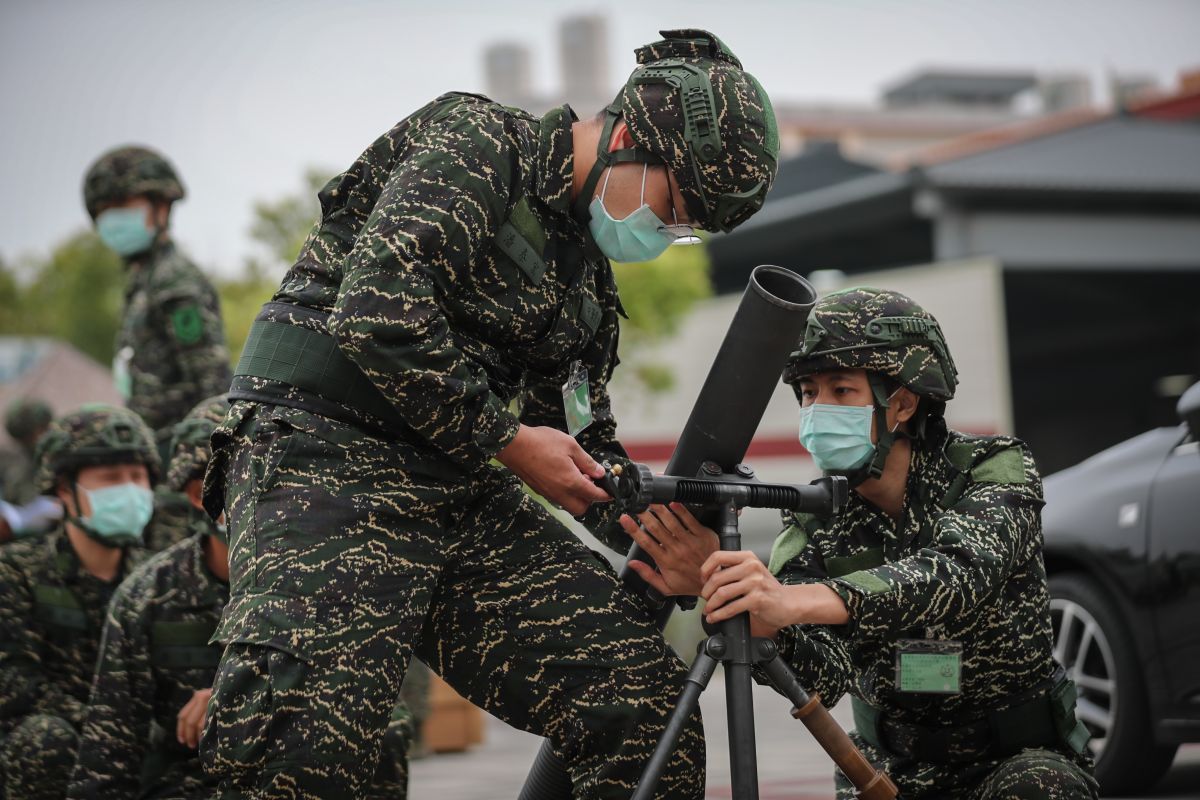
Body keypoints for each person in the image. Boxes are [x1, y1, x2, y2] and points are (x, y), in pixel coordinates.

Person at [200, 28, 778, 799]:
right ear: (631, 136)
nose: (666, 236)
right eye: (674, 207)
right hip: (322, 461)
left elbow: (576, 442)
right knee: (301, 750)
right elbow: (378, 309)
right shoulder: (480, 143)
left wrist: (670, 538)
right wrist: (505, 440)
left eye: (685, 230)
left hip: (457, 486)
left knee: (643, 710)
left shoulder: (587, 287)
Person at [621, 287, 1100, 799]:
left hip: (1016, 761)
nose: (817, 408)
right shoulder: (814, 522)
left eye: (841, 391)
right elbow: (820, 675)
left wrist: (791, 601)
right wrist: (728, 591)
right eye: (808, 391)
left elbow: (958, 574)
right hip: (884, 772)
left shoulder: (992, 468)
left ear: (902, 402)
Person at [0, 405, 156, 800]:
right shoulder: (17, 571)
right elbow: (14, 686)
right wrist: (111, 730)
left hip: (148, 748)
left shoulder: (162, 578)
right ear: (66, 490)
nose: (130, 489)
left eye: (138, 477)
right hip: (56, 752)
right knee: (43, 741)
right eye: (110, 478)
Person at [82, 146, 232, 452]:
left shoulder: (175, 282)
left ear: (161, 207)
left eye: (122, 204)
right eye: (103, 209)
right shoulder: (142, 281)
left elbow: (211, 384)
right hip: (155, 449)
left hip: (184, 455)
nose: (112, 218)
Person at [1, 397, 61, 543]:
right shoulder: (15, 462)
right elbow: (26, 500)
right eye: (41, 429)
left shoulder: (55, 453)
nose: (47, 433)